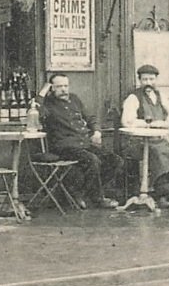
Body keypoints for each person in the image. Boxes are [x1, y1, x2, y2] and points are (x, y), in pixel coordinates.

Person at [36, 74, 121, 209]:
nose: (63, 89)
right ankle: (98, 199)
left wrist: (97, 131)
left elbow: (90, 117)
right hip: (64, 146)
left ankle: (80, 192)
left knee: (115, 160)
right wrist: (43, 92)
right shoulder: (47, 103)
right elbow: (36, 110)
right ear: (51, 88)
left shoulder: (74, 99)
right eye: (59, 86)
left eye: (66, 86)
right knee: (92, 160)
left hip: (83, 143)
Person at [121, 64, 169, 209]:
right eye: (145, 79)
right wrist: (149, 124)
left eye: (151, 79)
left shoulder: (160, 96)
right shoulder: (133, 98)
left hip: (158, 140)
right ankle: (161, 194)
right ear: (139, 80)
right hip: (138, 142)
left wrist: (166, 123)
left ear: (156, 80)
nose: (148, 83)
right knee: (159, 155)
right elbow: (127, 121)